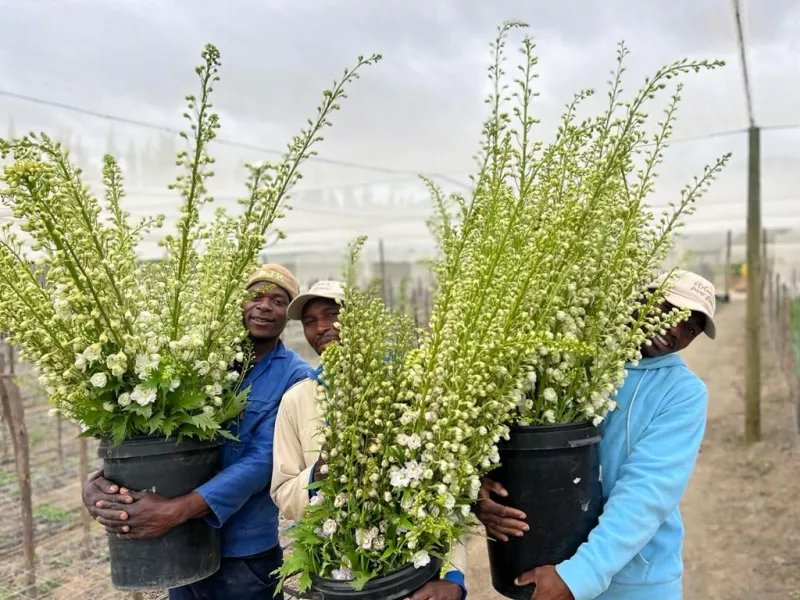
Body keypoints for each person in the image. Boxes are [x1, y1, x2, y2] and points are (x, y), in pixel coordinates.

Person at [475, 269, 717, 600]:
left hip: (633, 585)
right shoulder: (568, 356)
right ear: (642, 298)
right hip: (541, 567)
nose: (675, 329)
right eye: (668, 310)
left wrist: (580, 576)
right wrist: (480, 486)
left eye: (691, 328)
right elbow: (501, 439)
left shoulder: (682, 392)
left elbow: (648, 493)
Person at [82, 264, 313, 600]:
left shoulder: (296, 376)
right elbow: (155, 437)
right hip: (180, 544)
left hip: (243, 554)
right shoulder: (199, 363)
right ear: (238, 304)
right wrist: (103, 482)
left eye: (278, 301)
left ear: (287, 316)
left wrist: (175, 510)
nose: (264, 306)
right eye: (255, 297)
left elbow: (262, 461)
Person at [271, 280, 468, 600]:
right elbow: (283, 494)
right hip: (339, 572)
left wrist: (454, 577)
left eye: (332, 314)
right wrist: (318, 474)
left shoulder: (408, 388)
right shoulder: (296, 401)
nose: (322, 327)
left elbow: (448, 488)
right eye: (310, 321)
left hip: (411, 569)